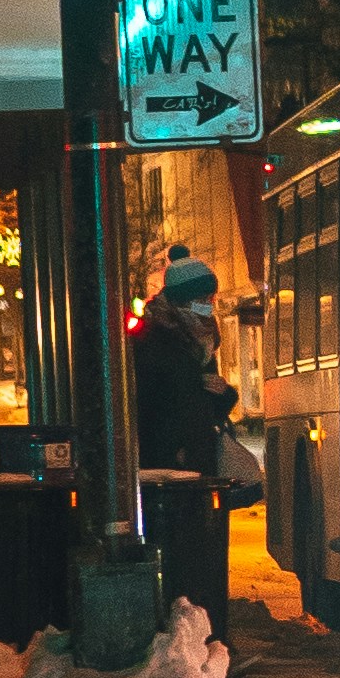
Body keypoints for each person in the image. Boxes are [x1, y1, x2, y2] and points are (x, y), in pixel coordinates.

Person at [130, 248, 234, 622]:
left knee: (200, 553)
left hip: (194, 463)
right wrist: (200, 388)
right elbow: (160, 403)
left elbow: (197, 401)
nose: (209, 306)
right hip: (168, 469)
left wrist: (223, 395)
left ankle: (201, 630)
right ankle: (183, 631)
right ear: (181, 301)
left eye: (211, 299)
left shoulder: (200, 339)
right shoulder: (155, 341)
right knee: (179, 555)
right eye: (202, 299)